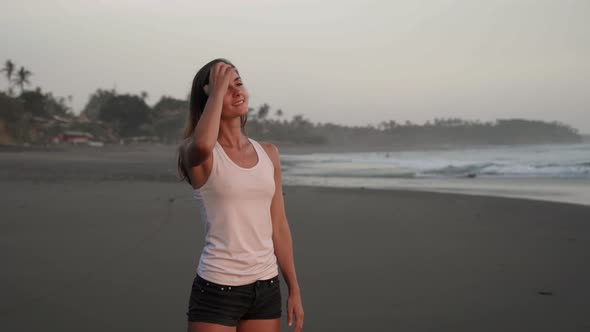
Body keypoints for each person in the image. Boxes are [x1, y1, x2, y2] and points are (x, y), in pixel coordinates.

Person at [177, 59, 304, 332]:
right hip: (216, 287)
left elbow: (279, 226)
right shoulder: (199, 155)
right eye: (225, 88)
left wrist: (293, 287)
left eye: (239, 83)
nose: (236, 92)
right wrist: (219, 87)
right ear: (208, 100)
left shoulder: (268, 153)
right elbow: (202, 143)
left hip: (266, 287)